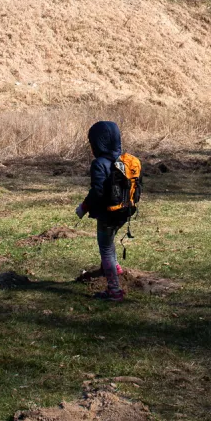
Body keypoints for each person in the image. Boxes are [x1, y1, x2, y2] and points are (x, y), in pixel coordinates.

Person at [75, 120, 128, 301]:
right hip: (123, 212)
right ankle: (116, 268)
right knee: (110, 240)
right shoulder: (123, 160)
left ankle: (114, 291)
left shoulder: (99, 164)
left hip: (107, 214)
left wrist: (83, 207)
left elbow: (97, 192)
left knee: (105, 247)